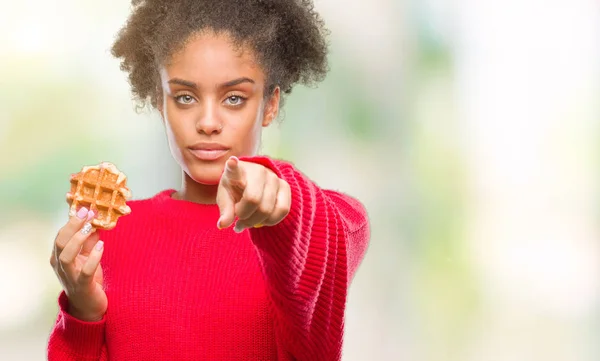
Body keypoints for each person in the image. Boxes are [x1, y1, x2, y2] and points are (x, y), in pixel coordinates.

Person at [47, 0, 370, 360]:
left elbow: (317, 251)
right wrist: (83, 314)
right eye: (185, 97)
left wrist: (283, 196)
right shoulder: (110, 236)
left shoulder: (333, 222)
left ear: (270, 105)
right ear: (160, 101)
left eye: (234, 98)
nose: (208, 122)